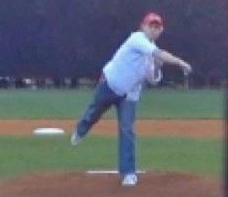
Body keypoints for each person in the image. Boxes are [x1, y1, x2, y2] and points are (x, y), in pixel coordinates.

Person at [70, 12, 192, 187]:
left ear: (161, 31)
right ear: (143, 26)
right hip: (110, 84)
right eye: (151, 26)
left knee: (127, 129)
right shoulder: (137, 38)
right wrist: (180, 62)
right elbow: (159, 52)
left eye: (157, 27)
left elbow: (154, 79)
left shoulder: (152, 55)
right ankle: (81, 130)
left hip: (129, 95)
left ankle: (128, 173)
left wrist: (157, 66)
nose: (153, 29)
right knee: (93, 113)